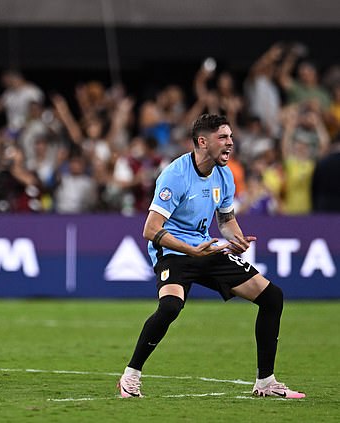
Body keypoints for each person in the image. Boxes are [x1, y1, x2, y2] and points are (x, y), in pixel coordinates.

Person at [117, 114, 305, 399]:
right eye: (223, 138)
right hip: (173, 250)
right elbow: (150, 229)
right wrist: (190, 250)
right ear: (202, 142)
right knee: (170, 307)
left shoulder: (224, 174)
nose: (230, 143)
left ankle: (265, 382)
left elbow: (226, 220)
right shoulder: (175, 175)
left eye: (230, 137)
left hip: (205, 247)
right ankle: (131, 376)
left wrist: (237, 239)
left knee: (272, 297)